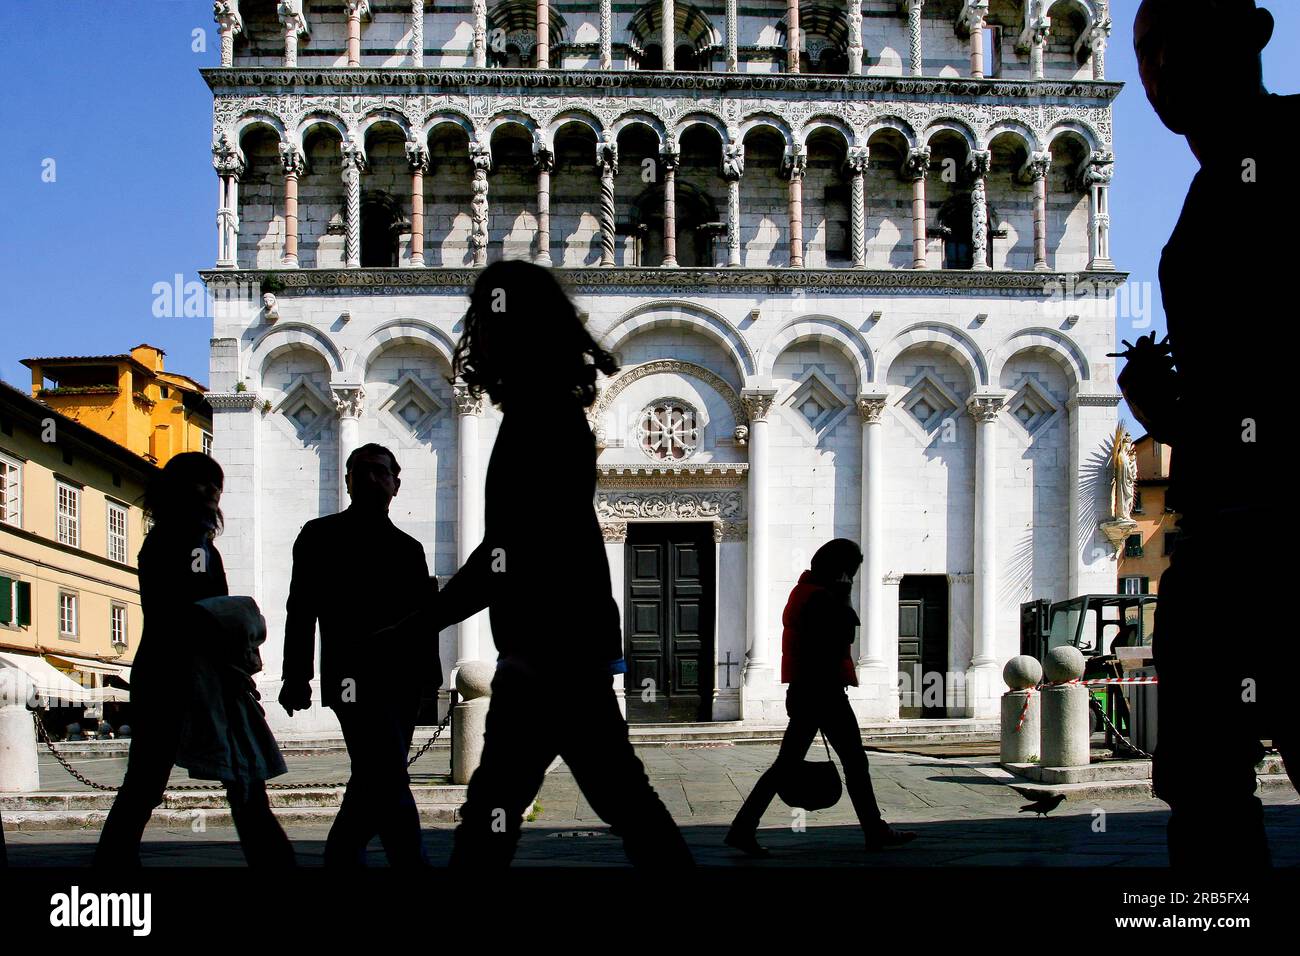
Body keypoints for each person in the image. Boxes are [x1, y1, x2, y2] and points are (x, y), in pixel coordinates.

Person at [433, 260, 693, 867]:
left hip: (548, 658)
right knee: (614, 802)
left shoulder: (540, 419)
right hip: (558, 654)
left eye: (490, 318)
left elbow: (511, 552)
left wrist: (424, 620)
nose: (480, 333)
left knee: (504, 815)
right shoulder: (545, 414)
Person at [1123, 0, 1297, 866]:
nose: (1161, 71)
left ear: (1254, 34)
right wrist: (1168, 411)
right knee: (1200, 787)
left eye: (1182, 44)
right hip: (1222, 538)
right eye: (1148, 53)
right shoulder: (1204, 188)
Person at [94, 453, 294, 867]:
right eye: (200, 482)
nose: (210, 491)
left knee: (233, 780)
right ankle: (113, 863)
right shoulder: (175, 542)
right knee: (159, 782)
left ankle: (113, 862)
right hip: (179, 675)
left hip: (192, 675)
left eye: (216, 485)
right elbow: (187, 613)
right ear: (176, 489)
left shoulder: (194, 543)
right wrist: (239, 619)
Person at [279, 443, 438, 867]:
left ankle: (343, 860)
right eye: (361, 471)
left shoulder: (409, 548)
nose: (371, 479)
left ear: (396, 485)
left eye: (381, 472)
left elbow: (425, 617)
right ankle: (410, 862)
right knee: (385, 773)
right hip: (351, 680)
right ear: (347, 481)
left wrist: (431, 681)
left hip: (401, 682)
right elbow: (301, 608)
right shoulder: (319, 536)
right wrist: (296, 676)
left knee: (376, 777)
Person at [725, 539, 915, 857]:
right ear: (838, 570)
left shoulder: (805, 593)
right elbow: (845, 634)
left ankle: (743, 828)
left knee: (788, 765)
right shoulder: (820, 598)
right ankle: (874, 830)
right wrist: (845, 594)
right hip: (822, 692)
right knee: (854, 762)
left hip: (807, 691)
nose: (852, 577)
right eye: (850, 571)